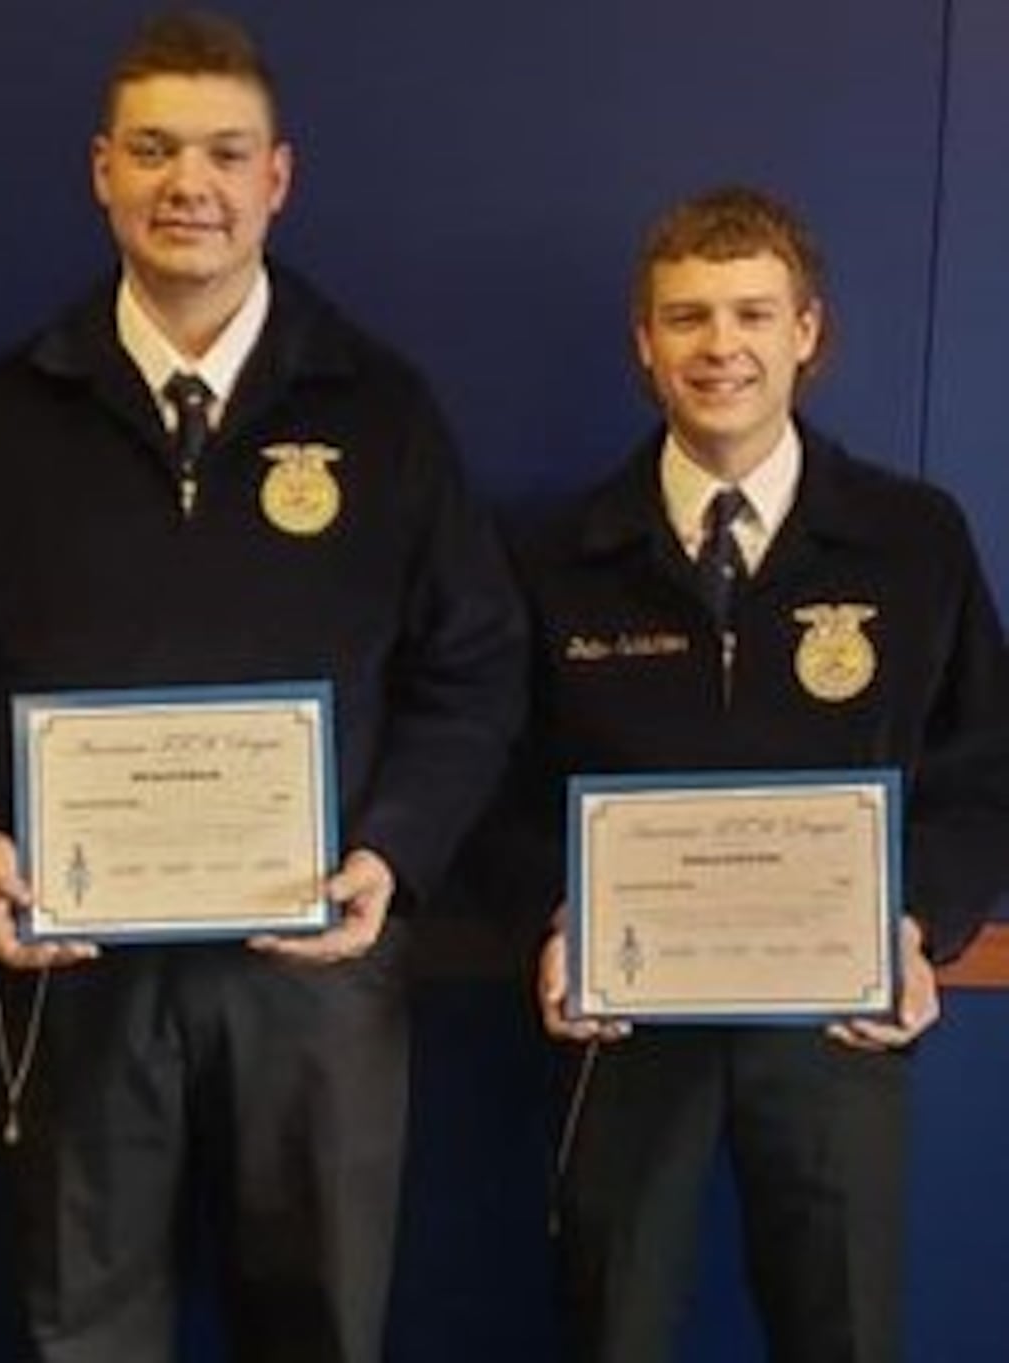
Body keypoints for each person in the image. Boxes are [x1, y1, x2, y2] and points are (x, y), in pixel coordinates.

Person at [0, 11, 527, 1361]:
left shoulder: (381, 410)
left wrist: (392, 850)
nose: (191, 185)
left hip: (313, 966)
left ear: (278, 177)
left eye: (225, 152)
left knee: (321, 1320)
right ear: (100, 169)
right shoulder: (0, 417)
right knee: (85, 1319)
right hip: (77, 955)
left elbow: (475, 663)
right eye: (155, 150)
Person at [497, 187, 1009, 1362]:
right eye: (686, 317)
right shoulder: (552, 554)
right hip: (623, 1028)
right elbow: (492, 784)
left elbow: (985, 773)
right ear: (643, 342)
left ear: (807, 332)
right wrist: (553, 908)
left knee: (843, 1327)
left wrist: (912, 920)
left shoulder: (913, 539)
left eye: (750, 314)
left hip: (837, 1017)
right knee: (607, 1326)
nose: (719, 347)